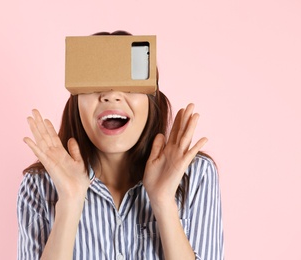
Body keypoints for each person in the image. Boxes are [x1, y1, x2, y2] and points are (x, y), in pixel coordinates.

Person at [17, 31, 224, 260]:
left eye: (128, 85)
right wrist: (70, 201)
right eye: (95, 85)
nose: (111, 95)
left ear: (151, 99)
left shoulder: (196, 175)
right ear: (76, 103)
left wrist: (163, 202)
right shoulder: (39, 185)